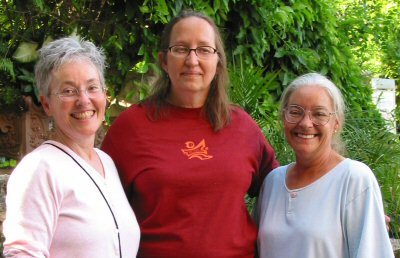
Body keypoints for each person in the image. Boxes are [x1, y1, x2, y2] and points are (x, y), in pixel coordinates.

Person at [101, 10, 278, 258]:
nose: (192, 60)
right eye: (181, 49)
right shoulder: (131, 127)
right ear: (164, 60)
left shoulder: (242, 126)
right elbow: (99, 207)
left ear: (218, 62)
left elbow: (281, 192)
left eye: (204, 49)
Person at [2, 37, 140, 258]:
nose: (83, 100)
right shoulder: (40, 168)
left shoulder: (106, 162)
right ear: (47, 104)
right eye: (68, 91)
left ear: (105, 95)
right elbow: (22, 253)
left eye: (92, 87)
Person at [254, 73, 394, 258]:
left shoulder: (354, 179)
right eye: (295, 111)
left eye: (319, 114)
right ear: (283, 118)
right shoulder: (272, 182)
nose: (305, 123)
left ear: (336, 123)